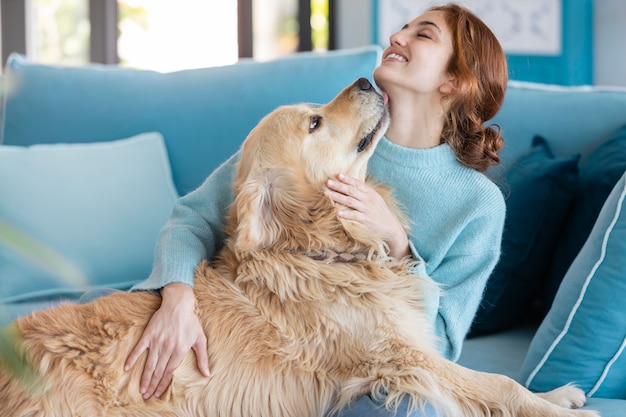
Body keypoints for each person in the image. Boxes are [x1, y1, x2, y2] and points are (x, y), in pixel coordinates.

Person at [124, 3, 508, 415]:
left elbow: (443, 347)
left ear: (455, 81)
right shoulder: (309, 132)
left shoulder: (478, 204)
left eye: (423, 34)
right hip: (261, 347)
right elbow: (194, 217)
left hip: (368, 374)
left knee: (398, 409)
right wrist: (177, 297)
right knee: (112, 315)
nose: (397, 37)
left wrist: (398, 244)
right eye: (403, 27)